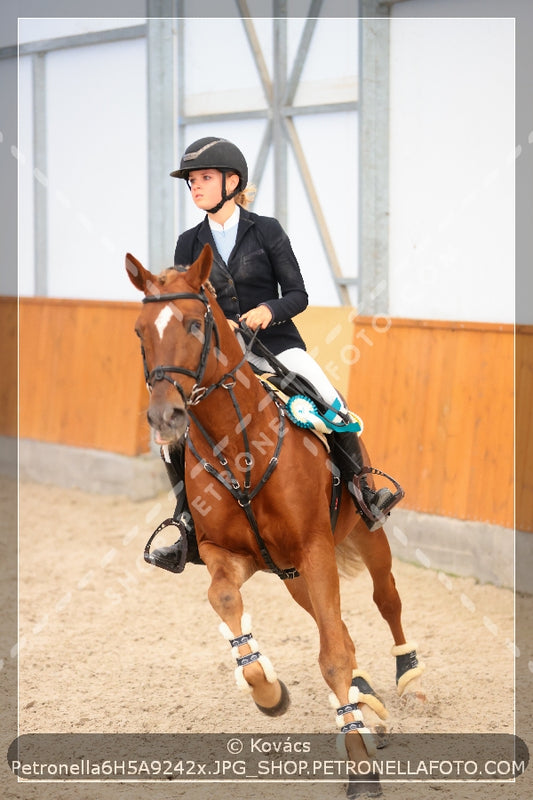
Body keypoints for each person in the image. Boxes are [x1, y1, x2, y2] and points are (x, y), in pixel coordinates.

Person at [149, 136, 403, 573]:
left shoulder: (266, 231)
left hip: (276, 346)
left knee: (328, 399)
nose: (195, 186)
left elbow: (299, 294)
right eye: (191, 180)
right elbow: (184, 307)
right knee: (174, 435)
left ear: (232, 182)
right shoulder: (188, 243)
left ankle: (365, 492)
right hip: (220, 359)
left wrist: (267, 310)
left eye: (205, 178)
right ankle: (189, 522)